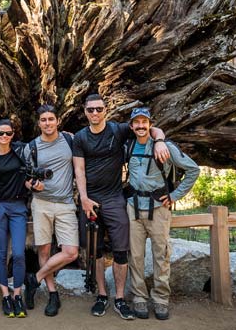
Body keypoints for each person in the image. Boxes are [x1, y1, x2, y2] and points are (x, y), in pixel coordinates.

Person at [73, 94, 169, 320]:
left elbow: (146, 128)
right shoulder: (80, 137)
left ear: (105, 110)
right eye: (90, 110)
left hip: (115, 199)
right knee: (95, 252)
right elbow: (79, 170)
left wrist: (162, 140)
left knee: (120, 251)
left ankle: (119, 298)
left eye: (98, 109)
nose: (95, 113)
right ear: (85, 112)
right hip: (90, 200)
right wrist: (84, 199)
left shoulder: (118, 130)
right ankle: (102, 296)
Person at [124, 107, 200, 321]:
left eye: (144, 122)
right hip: (133, 206)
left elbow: (193, 170)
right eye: (136, 122)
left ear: (150, 124)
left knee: (161, 254)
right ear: (131, 126)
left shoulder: (165, 148)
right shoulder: (128, 146)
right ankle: (139, 297)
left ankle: (160, 300)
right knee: (136, 255)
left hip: (159, 207)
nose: (140, 126)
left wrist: (175, 196)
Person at [21, 104, 77, 317]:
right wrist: (32, 184)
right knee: (44, 251)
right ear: (39, 123)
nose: (47, 123)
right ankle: (53, 294)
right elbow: (25, 177)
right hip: (41, 203)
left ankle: (34, 279)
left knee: (70, 252)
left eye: (51, 119)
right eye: (43, 120)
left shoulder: (70, 141)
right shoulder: (32, 147)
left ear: (57, 121)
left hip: (65, 204)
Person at [0, 119, 31, 318]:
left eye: (8, 133)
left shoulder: (21, 151)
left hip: (18, 206)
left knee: (20, 253)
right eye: (1, 133)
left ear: (13, 134)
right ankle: (5, 295)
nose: (4, 137)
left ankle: (17, 295)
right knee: (0, 252)